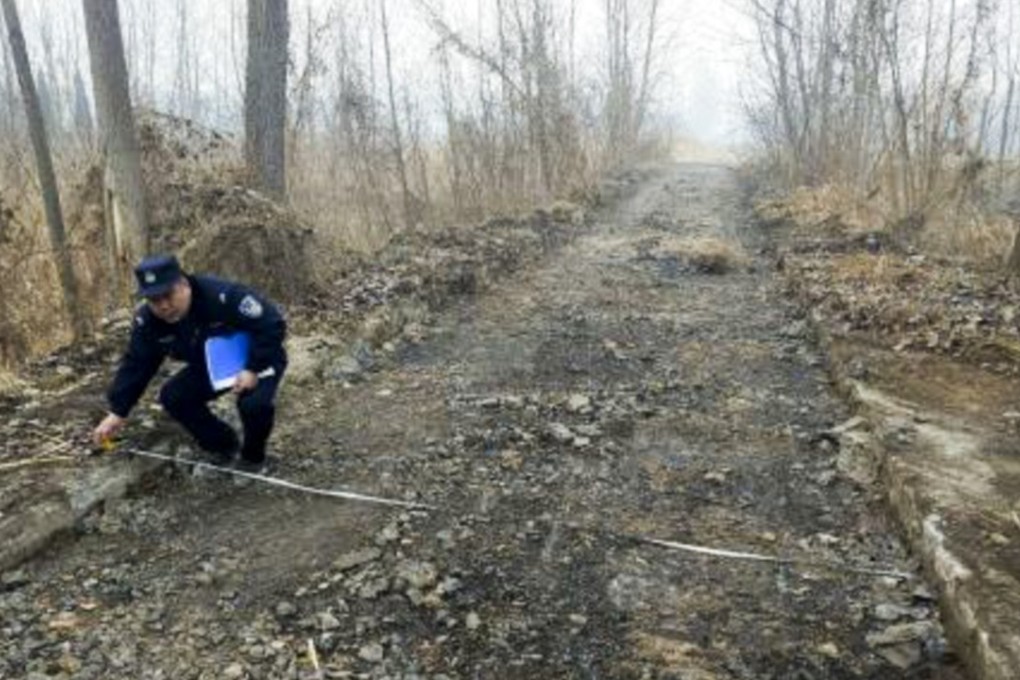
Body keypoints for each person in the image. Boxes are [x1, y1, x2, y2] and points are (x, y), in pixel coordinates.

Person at [92, 255, 287, 473]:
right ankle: (224, 446)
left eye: (168, 295)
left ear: (184, 284)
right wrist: (118, 411)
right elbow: (137, 363)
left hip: (259, 356)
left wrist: (252, 368)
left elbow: (271, 324)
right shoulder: (148, 322)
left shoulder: (223, 295)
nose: (164, 306)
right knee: (174, 397)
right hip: (213, 367)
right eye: (154, 300)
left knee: (254, 405)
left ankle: (253, 458)